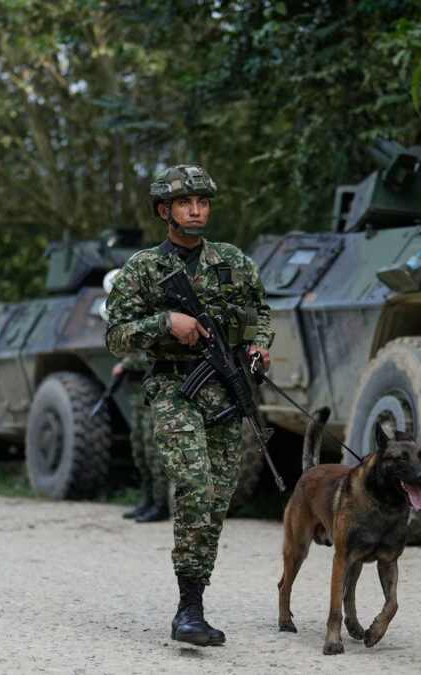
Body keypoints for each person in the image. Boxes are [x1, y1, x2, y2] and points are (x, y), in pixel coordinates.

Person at [106, 164, 273, 646]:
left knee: (217, 499)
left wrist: (261, 345)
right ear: (165, 211)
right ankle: (189, 611)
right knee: (196, 486)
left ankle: (195, 598)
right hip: (175, 391)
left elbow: (261, 312)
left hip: (227, 393)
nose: (196, 210)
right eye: (185, 203)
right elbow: (115, 336)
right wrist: (165, 324)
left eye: (202, 202)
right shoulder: (143, 268)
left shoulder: (233, 262)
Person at [116, 351, 170, 523]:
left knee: (153, 453)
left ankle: (161, 504)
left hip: (153, 402)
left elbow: (151, 356)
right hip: (138, 404)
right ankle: (148, 500)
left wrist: (126, 364)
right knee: (139, 452)